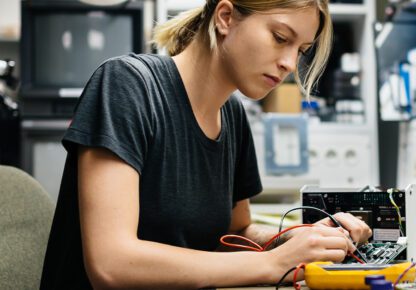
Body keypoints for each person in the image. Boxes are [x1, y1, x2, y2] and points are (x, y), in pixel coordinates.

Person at [40, 0, 373, 289]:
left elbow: (232, 233)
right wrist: (274, 263)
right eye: (280, 38)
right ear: (225, 17)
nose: (289, 63)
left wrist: (294, 239)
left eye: (300, 50)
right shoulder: (127, 86)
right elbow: (111, 265)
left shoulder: (232, 116)